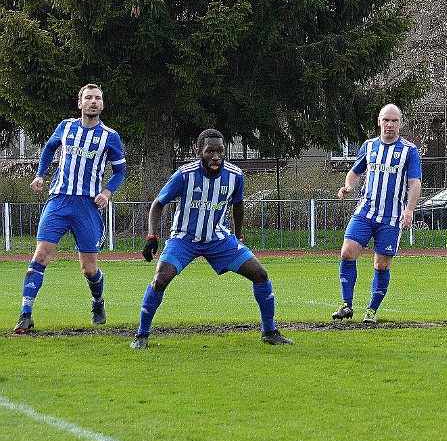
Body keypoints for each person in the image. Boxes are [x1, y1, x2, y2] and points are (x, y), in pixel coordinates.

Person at [132, 129, 294, 349]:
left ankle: (270, 331)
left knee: (260, 273)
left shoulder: (235, 175)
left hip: (219, 239)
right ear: (199, 152)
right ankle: (141, 335)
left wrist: (239, 234)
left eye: (220, 151)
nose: (216, 156)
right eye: (210, 151)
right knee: (160, 279)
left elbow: (238, 204)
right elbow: (157, 204)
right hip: (184, 239)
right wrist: (152, 236)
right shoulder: (184, 175)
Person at [14, 84, 126, 334]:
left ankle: (98, 302)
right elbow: (49, 148)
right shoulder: (65, 127)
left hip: (87, 205)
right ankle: (25, 313)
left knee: (89, 269)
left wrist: (107, 193)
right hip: (59, 200)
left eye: (98, 98)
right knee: (41, 254)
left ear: (102, 105)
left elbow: (120, 171)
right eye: (88, 98)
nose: (93, 102)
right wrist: (40, 175)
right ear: (80, 104)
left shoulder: (110, 136)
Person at [331, 104, 422, 324]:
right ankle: (346, 305)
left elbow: (415, 182)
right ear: (379, 121)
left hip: (391, 218)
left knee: (381, 264)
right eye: (386, 120)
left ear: (400, 123)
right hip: (365, 212)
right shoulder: (369, 146)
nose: (390, 125)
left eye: (394, 121)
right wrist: (348, 187)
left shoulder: (409, 151)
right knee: (347, 252)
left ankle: (371, 311)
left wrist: (409, 209)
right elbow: (354, 172)